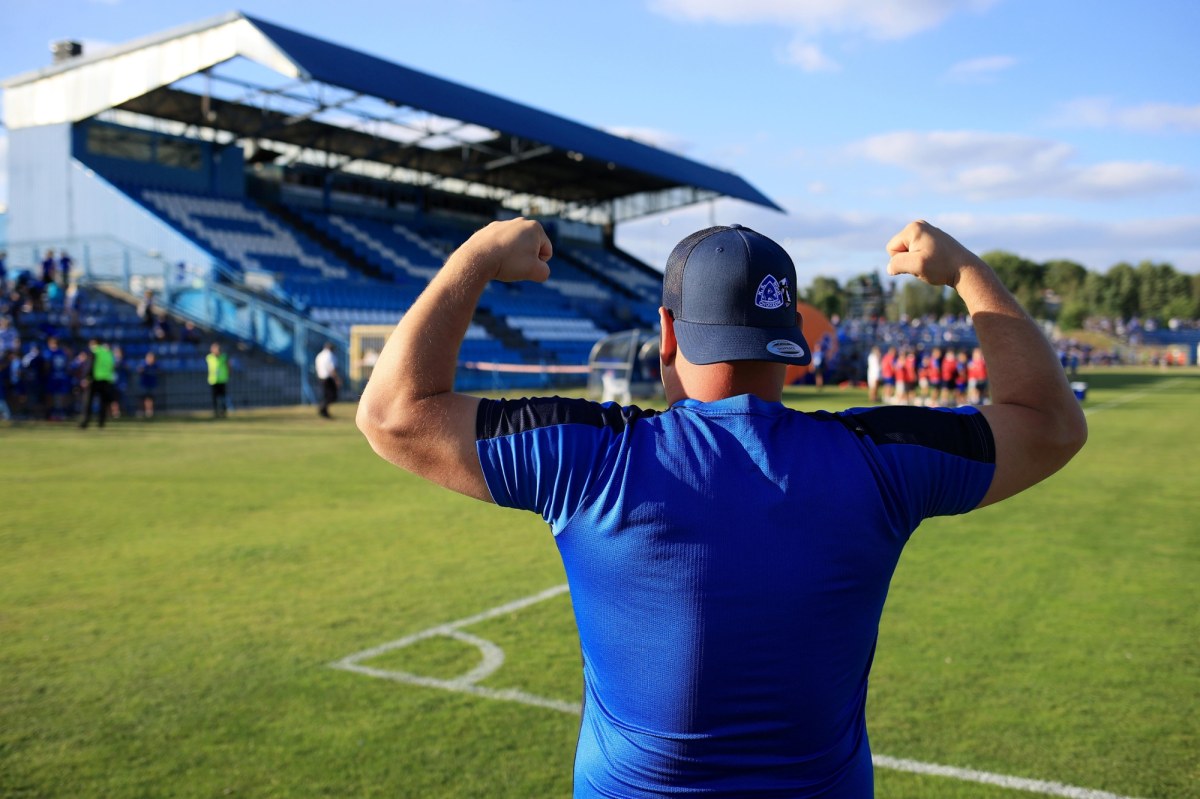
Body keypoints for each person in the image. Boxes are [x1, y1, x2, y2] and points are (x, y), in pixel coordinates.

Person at [356, 218, 1087, 799]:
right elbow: (1051, 422)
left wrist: (479, 255)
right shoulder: (879, 459)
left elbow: (392, 412)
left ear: (668, 335)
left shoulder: (592, 457)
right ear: (790, 341)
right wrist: (965, 272)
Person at [79, 337, 116, 429]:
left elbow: (90, 366)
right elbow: (112, 366)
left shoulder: (94, 352)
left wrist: (85, 377)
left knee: (88, 402)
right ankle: (101, 423)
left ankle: (85, 422)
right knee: (103, 403)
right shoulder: (108, 352)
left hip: (94, 380)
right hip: (106, 380)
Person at [314, 341, 341, 418]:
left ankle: (324, 412)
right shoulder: (330, 355)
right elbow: (332, 369)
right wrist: (337, 379)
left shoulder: (320, 355)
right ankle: (321, 408)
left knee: (326, 396)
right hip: (328, 378)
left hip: (320, 377)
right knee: (332, 396)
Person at [206, 343, 230, 418]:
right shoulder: (209, 357)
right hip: (213, 380)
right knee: (214, 398)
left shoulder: (224, 357)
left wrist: (228, 374)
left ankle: (223, 412)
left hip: (222, 380)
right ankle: (215, 412)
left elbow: (228, 366)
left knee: (223, 397)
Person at [137, 351, 159, 418]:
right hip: (144, 384)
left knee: (150, 398)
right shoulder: (144, 365)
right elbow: (139, 370)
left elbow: (159, 371)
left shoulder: (155, 365)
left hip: (152, 384)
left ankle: (149, 411)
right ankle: (141, 411)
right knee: (143, 398)